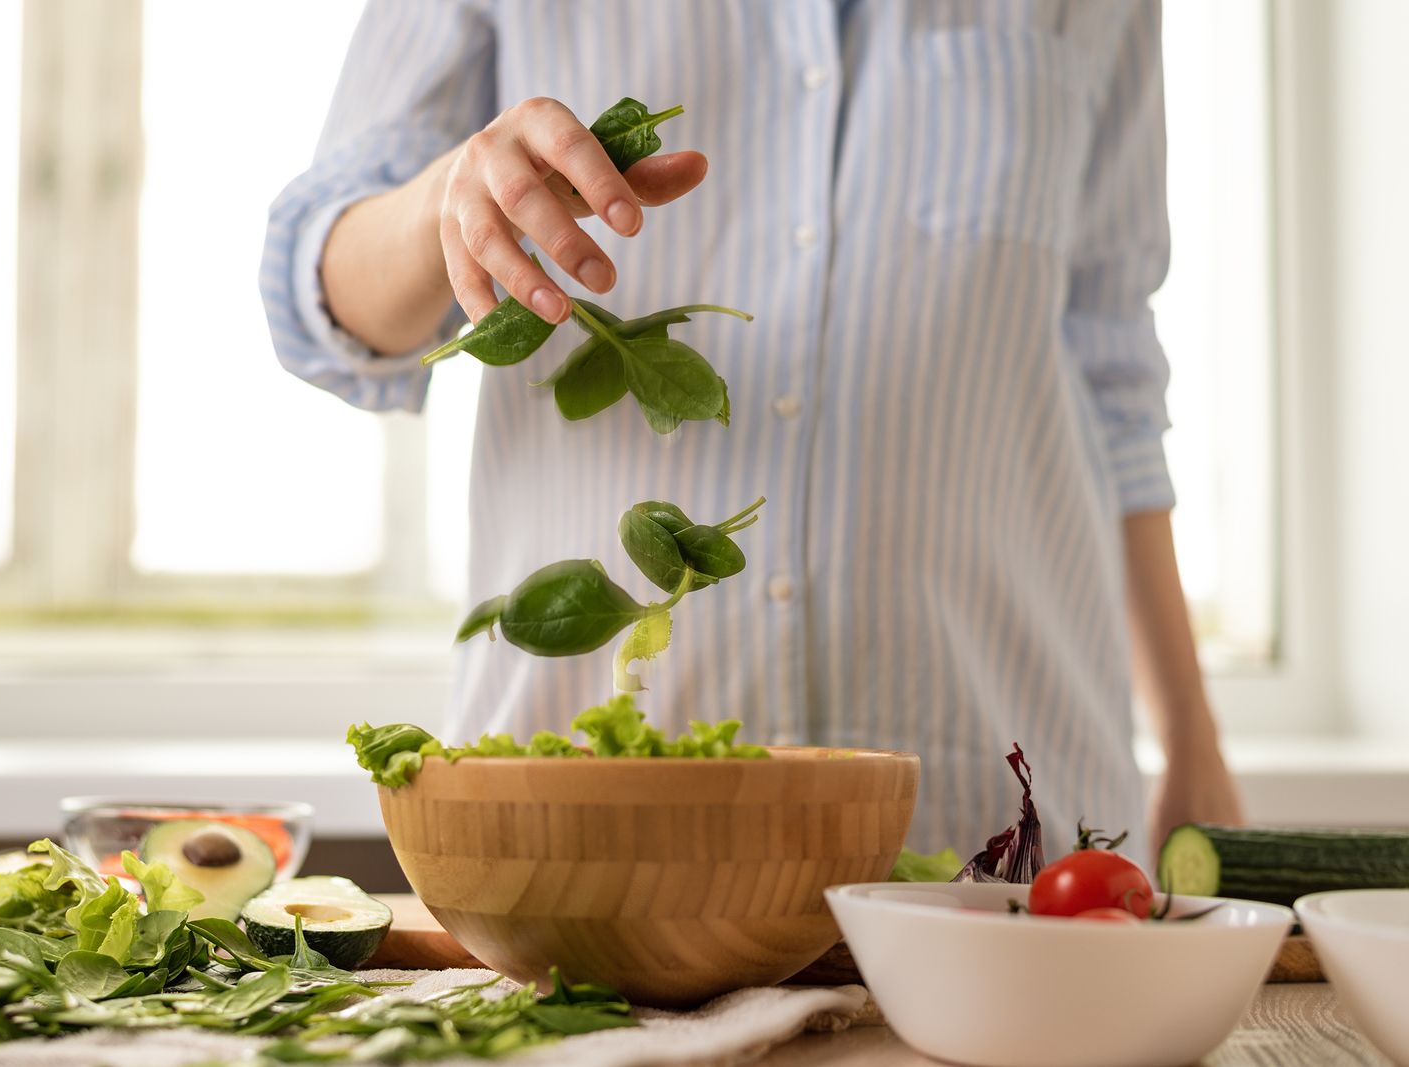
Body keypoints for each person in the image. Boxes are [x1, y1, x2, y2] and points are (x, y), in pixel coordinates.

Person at [260, 1, 1244, 858]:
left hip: (996, 814)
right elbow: (321, 308)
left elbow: (1111, 371)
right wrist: (449, 197)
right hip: (594, 844)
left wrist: (1192, 742)